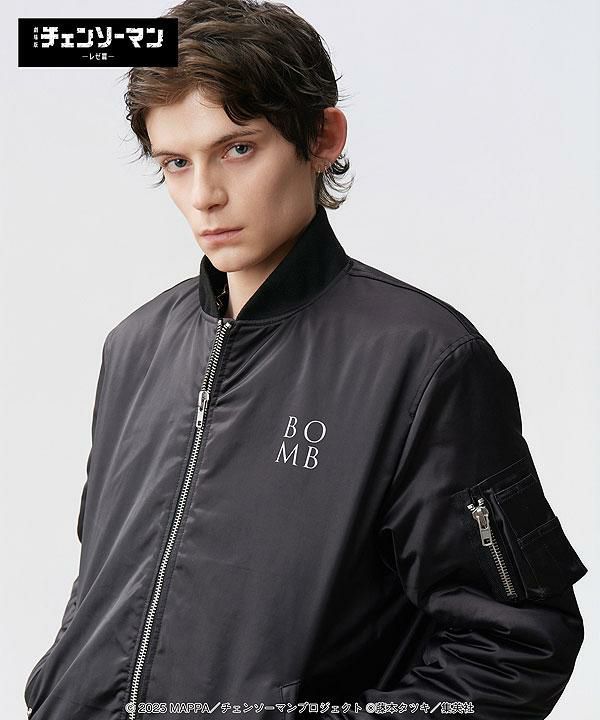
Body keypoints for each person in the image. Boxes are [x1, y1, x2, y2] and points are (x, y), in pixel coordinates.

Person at [24, 1, 587, 719]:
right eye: (176, 163)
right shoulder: (133, 346)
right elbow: (100, 594)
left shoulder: (424, 361)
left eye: (238, 149)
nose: (204, 196)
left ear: (321, 139)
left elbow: (515, 645)